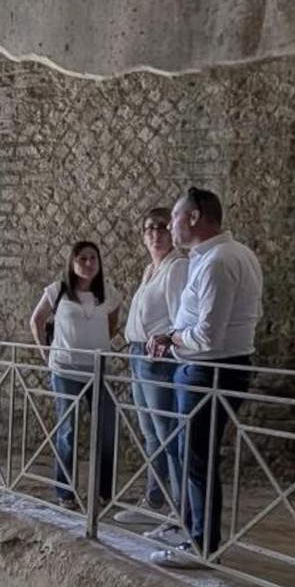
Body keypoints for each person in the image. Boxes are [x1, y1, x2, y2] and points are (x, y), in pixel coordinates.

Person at [145, 186, 263, 567]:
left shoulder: (216, 261)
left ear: (194, 217)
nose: (171, 226)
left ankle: (202, 546)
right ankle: (193, 533)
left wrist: (173, 337)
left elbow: (207, 335)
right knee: (192, 455)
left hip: (209, 371)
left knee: (197, 458)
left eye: (175, 218)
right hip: (211, 367)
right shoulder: (226, 254)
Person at [29, 241, 122, 507]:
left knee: (106, 430)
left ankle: (104, 492)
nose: (88, 263)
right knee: (68, 430)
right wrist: (45, 353)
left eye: (93, 258)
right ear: (72, 262)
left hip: (98, 371)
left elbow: (113, 322)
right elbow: (36, 320)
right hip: (66, 369)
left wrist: (99, 343)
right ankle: (65, 491)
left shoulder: (108, 293)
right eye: (82, 259)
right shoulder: (58, 291)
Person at [114, 206, 189, 524]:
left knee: (168, 434)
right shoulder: (150, 270)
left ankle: (179, 508)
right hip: (138, 356)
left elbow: (180, 317)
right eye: (149, 229)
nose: (155, 234)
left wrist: (168, 339)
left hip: (158, 360)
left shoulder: (177, 268)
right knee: (151, 435)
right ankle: (154, 500)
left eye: (162, 227)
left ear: (172, 232)